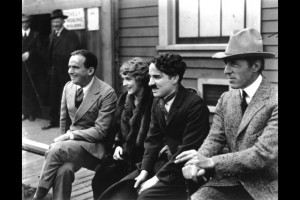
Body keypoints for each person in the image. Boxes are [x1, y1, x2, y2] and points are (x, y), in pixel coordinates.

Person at [175, 28, 278, 200]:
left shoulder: (275, 99)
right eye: (225, 63)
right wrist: (197, 162)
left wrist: (211, 162)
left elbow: (262, 155)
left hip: (265, 187)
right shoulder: (226, 98)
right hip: (229, 181)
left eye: (234, 64)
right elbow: (215, 138)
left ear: (256, 66)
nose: (226, 71)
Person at [99, 53, 210, 200]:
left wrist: (155, 179)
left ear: (174, 78)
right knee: (116, 194)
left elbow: (187, 150)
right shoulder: (158, 102)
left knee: (144, 197)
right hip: (159, 165)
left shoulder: (194, 105)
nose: (150, 82)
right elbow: (152, 141)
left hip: (182, 170)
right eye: (150, 77)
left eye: (157, 77)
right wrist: (144, 172)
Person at [33, 49, 117, 200]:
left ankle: (38, 196)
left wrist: (68, 137)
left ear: (90, 70)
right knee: (63, 170)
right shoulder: (69, 87)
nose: (70, 71)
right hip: (72, 146)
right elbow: (64, 121)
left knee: (57, 149)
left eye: (75, 67)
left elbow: (100, 131)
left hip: (95, 148)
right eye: (69, 67)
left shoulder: (107, 93)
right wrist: (65, 138)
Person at [91, 57, 154, 199]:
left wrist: (126, 149)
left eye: (128, 79)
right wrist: (118, 145)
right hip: (124, 155)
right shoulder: (124, 99)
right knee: (100, 178)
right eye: (123, 79)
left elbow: (151, 138)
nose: (124, 84)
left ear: (140, 79)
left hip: (143, 159)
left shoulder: (152, 101)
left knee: (119, 189)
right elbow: (117, 129)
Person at [42, 9, 81, 130]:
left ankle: (69, 123)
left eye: (58, 21)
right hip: (54, 72)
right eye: (53, 22)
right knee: (53, 96)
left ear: (63, 21)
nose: (55, 24)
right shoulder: (52, 35)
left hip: (66, 72)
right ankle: (53, 120)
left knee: (67, 97)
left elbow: (75, 54)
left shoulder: (71, 35)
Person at [22, 14, 43, 121]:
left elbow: (40, 50)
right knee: (23, 90)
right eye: (22, 22)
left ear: (29, 23)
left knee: (31, 89)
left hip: (32, 68)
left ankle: (32, 113)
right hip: (22, 69)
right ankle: (24, 112)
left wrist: (29, 53)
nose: (24, 24)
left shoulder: (35, 35)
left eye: (26, 22)